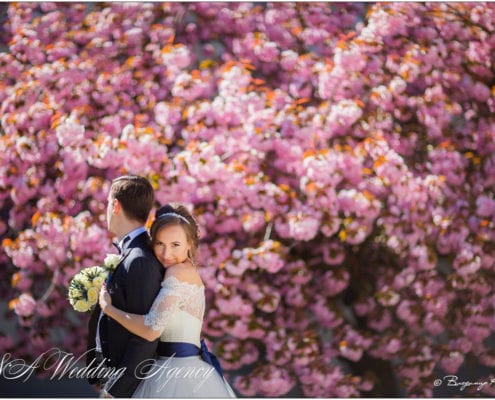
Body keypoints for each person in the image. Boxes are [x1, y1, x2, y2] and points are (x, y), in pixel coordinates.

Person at [98, 203, 236, 398]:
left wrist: (108, 308)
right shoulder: (182, 269)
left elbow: (151, 329)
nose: (166, 253)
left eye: (175, 245)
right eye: (160, 244)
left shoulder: (178, 272)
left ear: (190, 244)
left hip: (179, 373)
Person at [87, 175, 164, 398]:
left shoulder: (139, 260)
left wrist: (114, 391)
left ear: (116, 205)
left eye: (107, 204)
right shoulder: (130, 253)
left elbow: (145, 338)